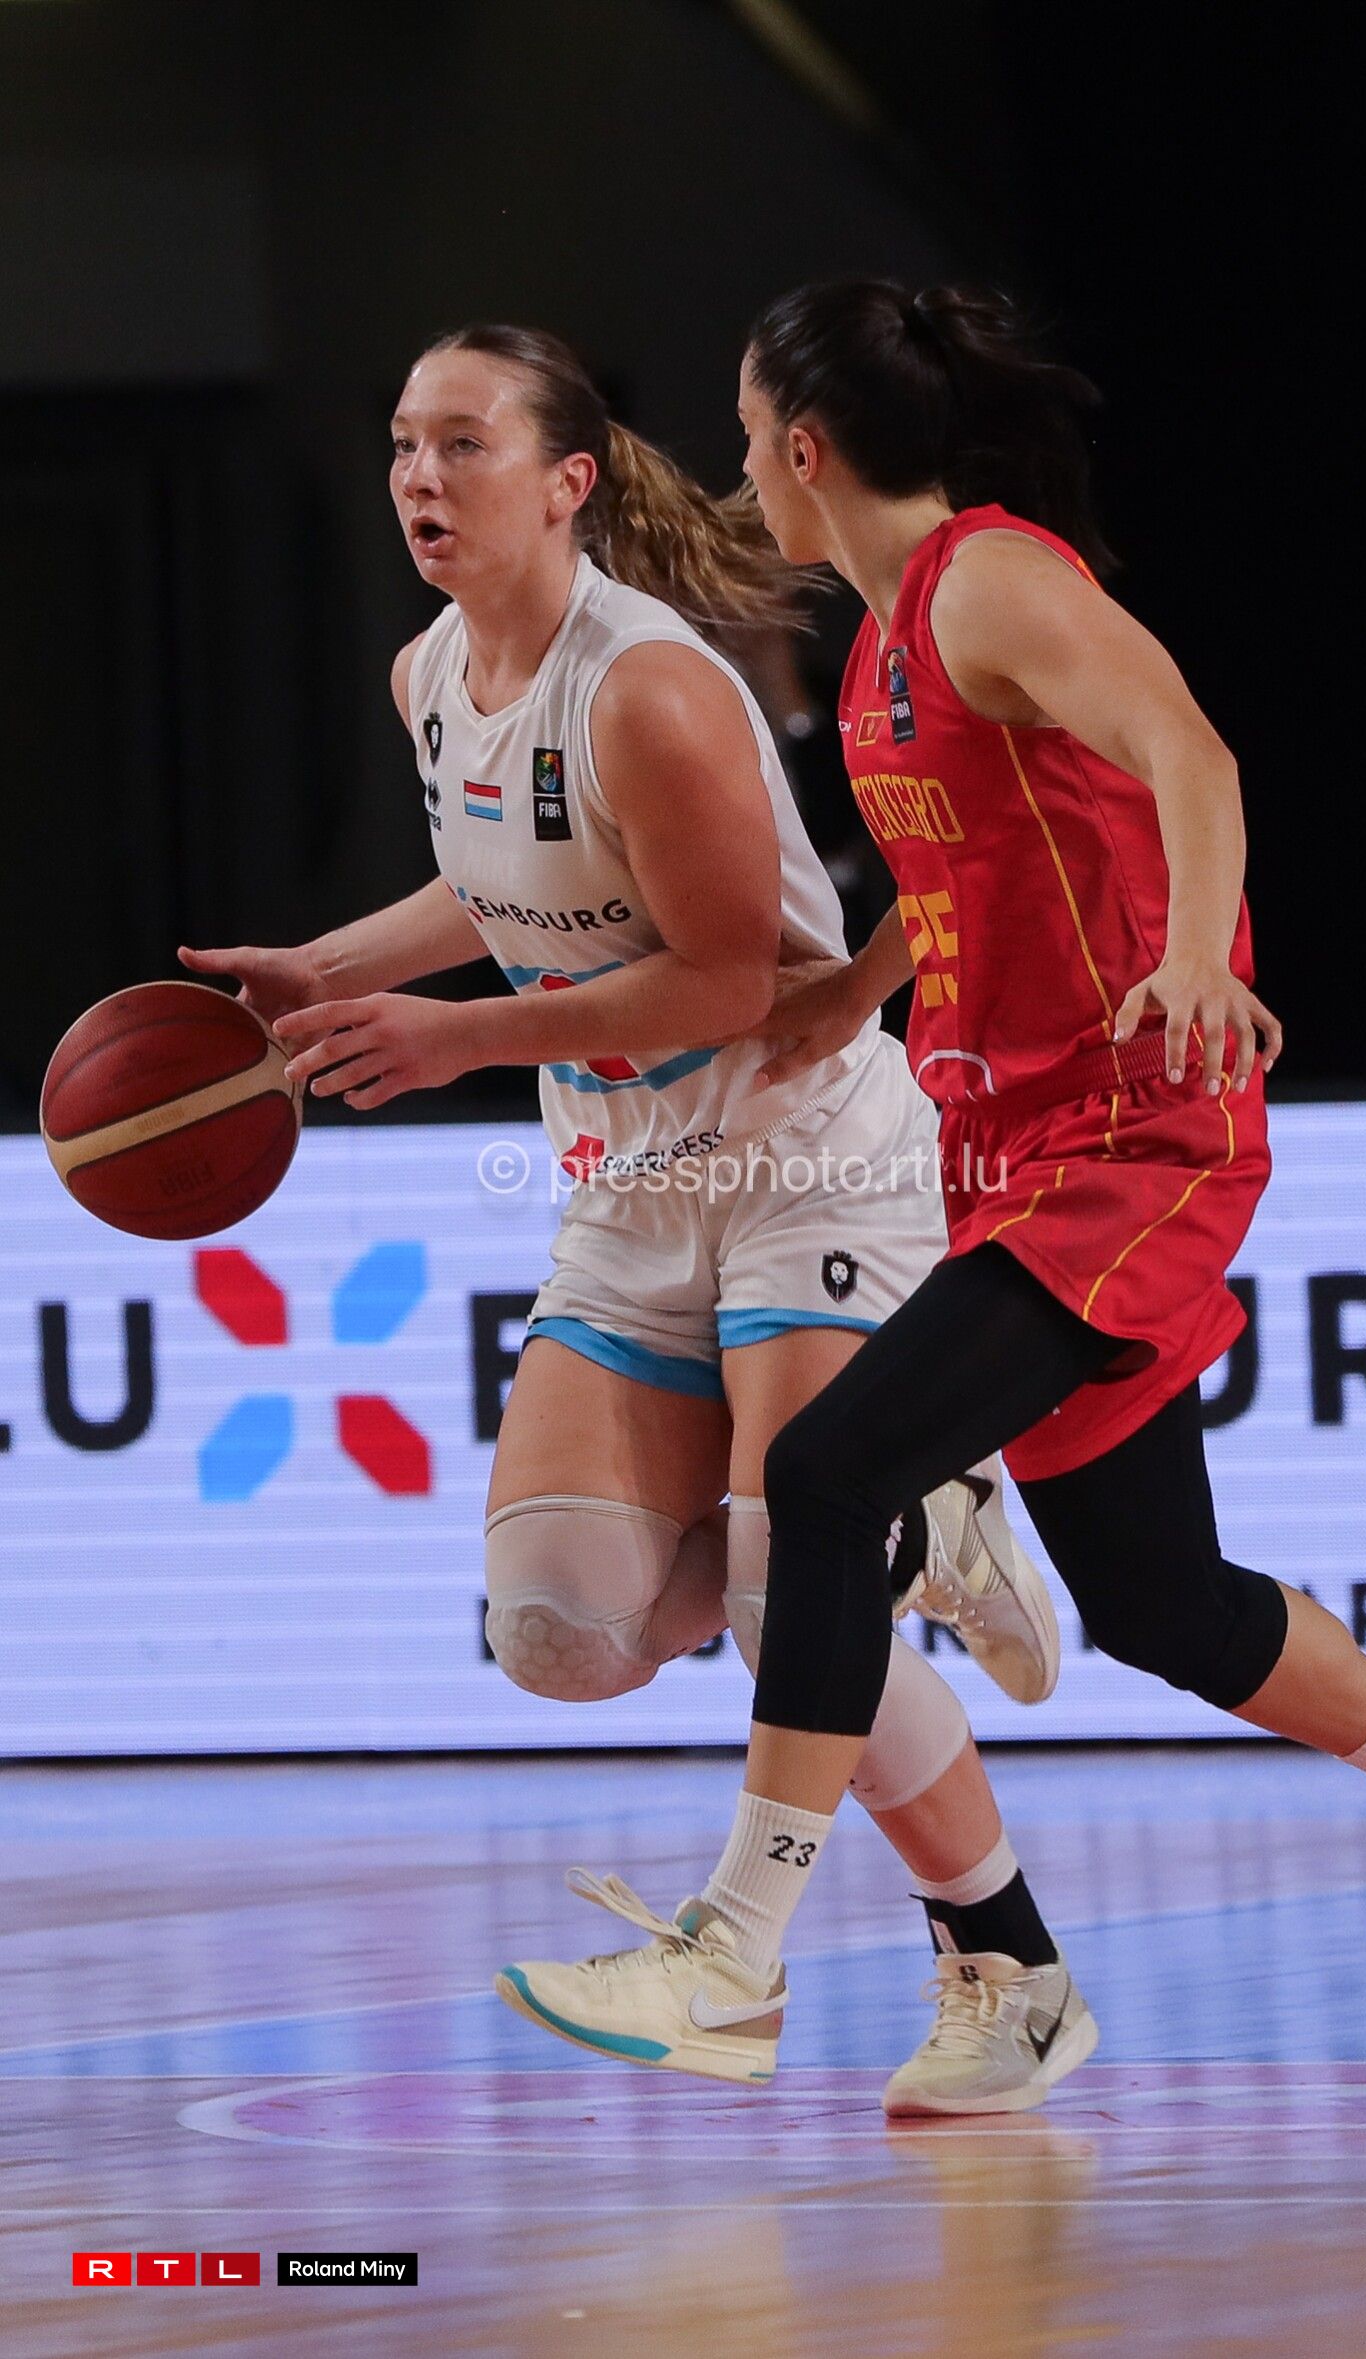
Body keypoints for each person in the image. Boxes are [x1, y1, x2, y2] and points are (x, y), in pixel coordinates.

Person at [509, 278, 1366, 2100]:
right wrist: (853, 991)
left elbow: (1188, 751)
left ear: (805, 446)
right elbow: (969, 877)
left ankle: (734, 1954)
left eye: (750, 436)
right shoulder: (877, 640)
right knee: (1163, 1603)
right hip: (1003, 1149)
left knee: (825, 1476)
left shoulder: (989, 581)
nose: (745, 470)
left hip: (1136, 1139)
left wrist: (1199, 955)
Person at [181, 320, 1099, 2116]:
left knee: (777, 1592)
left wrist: (450, 1040)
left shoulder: (652, 688)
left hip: (804, 1154)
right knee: (562, 1632)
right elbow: (497, 883)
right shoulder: (429, 673)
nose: (420, 477)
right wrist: (333, 967)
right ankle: (908, 1527)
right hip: (628, 1181)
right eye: (402, 444)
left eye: (462, 444)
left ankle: (1005, 1960)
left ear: (567, 482)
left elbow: (726, 979)